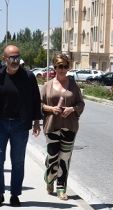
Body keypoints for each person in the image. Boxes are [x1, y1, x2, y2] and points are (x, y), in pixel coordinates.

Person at [0, 45, 42, 207]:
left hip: (19, 125)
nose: (15, 60)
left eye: (17, 57)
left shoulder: (28, 77)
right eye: (12, 57)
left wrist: (37, 122)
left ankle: (15, 194)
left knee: (17, 161)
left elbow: (35, 100)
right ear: (4, 59)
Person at [39, 53, 85, 200]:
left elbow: (80, 103)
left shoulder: (74, 85)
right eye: (60, 66)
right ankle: (49, 179)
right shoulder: (47, 86)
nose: (63, 69)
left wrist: (72, 109)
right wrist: (51, 109)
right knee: (53, 155)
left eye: (66, 66)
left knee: (64, 157)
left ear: (69, 67)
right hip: (52, 125)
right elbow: (38, 105)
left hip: (69, 125)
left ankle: (61, 188)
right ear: (55, 67)